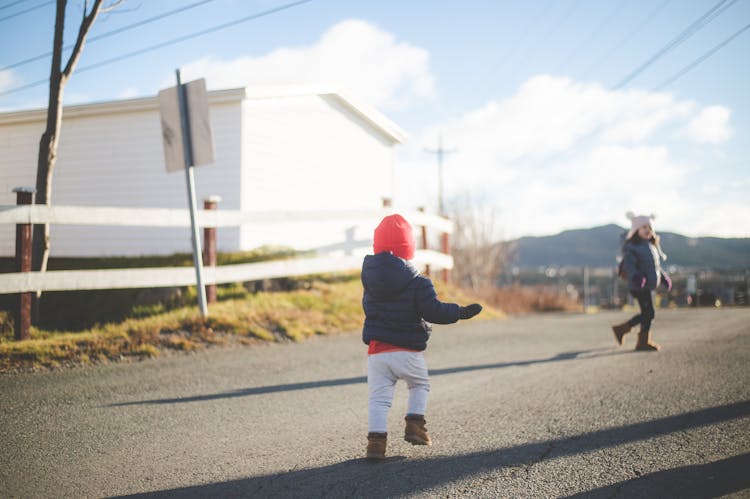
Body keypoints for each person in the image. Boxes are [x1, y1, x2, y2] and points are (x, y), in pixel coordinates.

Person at [361, 214, 483, 460]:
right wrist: (459, 312)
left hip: (377, 353)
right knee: (419, 385)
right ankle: (415, 424)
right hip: (407, 352)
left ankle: (376, 444)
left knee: (378, 400)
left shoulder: (370, 282)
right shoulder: (418, 282)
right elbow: (433, 311)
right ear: (408, 248)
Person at [612, 212, 671, 351]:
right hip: (638, 285)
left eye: (649, 228)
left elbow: (655, 267)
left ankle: (622, 330)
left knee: (647, 313)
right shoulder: (632, 247)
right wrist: (637, 277)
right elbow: (629, 265)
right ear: (635, 230)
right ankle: (641, 341)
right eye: (643, 227)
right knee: (649, 313)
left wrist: (663, 277)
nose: (647, 230)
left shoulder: (650, 246)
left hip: (647, 286)